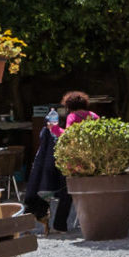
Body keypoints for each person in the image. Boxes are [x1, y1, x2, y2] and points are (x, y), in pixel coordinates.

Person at [21, 91, 96, 232]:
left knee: (66, 193)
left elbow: (68, 137)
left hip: (74, 162)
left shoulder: (72, 117)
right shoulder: (93, 116)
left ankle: (60, 225)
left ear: (69, 105)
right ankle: (92, 221)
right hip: (91, 161)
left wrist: (54, 129)